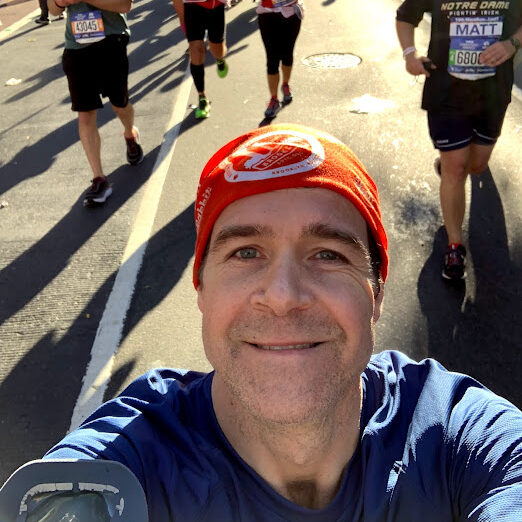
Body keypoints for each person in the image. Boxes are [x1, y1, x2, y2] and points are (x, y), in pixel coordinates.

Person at [42, 124, 522, 520]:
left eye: (329, 254)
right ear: (202, 289)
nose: (284, 296)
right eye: (245, 252)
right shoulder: (125, 463)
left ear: (375, 292)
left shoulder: (455, 433)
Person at [396, 0, 522, 280]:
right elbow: (406, 16)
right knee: (456, 169)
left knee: (475, 166)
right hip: (446, 92)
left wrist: (512, 43)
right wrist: (409, 56)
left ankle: (450, 165)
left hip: (492, 94)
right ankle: (455, 246)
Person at [48, 0, 144, 207]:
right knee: (85, 113)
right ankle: (99, 179)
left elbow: (124, 5)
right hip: (76, 47)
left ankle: (129, 134)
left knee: (120, 105)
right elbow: (53, 10)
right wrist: (59, 2)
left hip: (111, 41)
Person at [181, 0, 229, 119]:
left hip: (215, 6)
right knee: (196, 50)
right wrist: (182, 20)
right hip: (192, 7)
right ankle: (202, 98)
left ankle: (220, 59)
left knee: (216, 47)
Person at [256, 0, 304, 118]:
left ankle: (285, 84)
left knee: (287, 54)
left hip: (290, 13)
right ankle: (274, 99)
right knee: (272, 58)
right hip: (267, 13)